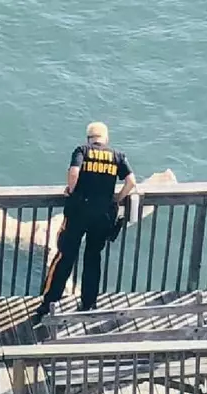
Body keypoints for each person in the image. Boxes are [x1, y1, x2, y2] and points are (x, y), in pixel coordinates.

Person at [32, 121, 137, 323]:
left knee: (65, 255)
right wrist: (117, 198)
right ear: (105, 139)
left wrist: (71, 189)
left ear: (89, 138)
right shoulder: (117, 155)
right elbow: (131, 181)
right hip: (103, 215)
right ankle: (88, 303)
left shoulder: (82, 150)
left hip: (79, 211)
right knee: (93, 257)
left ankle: (49, 303)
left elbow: (74, 172)